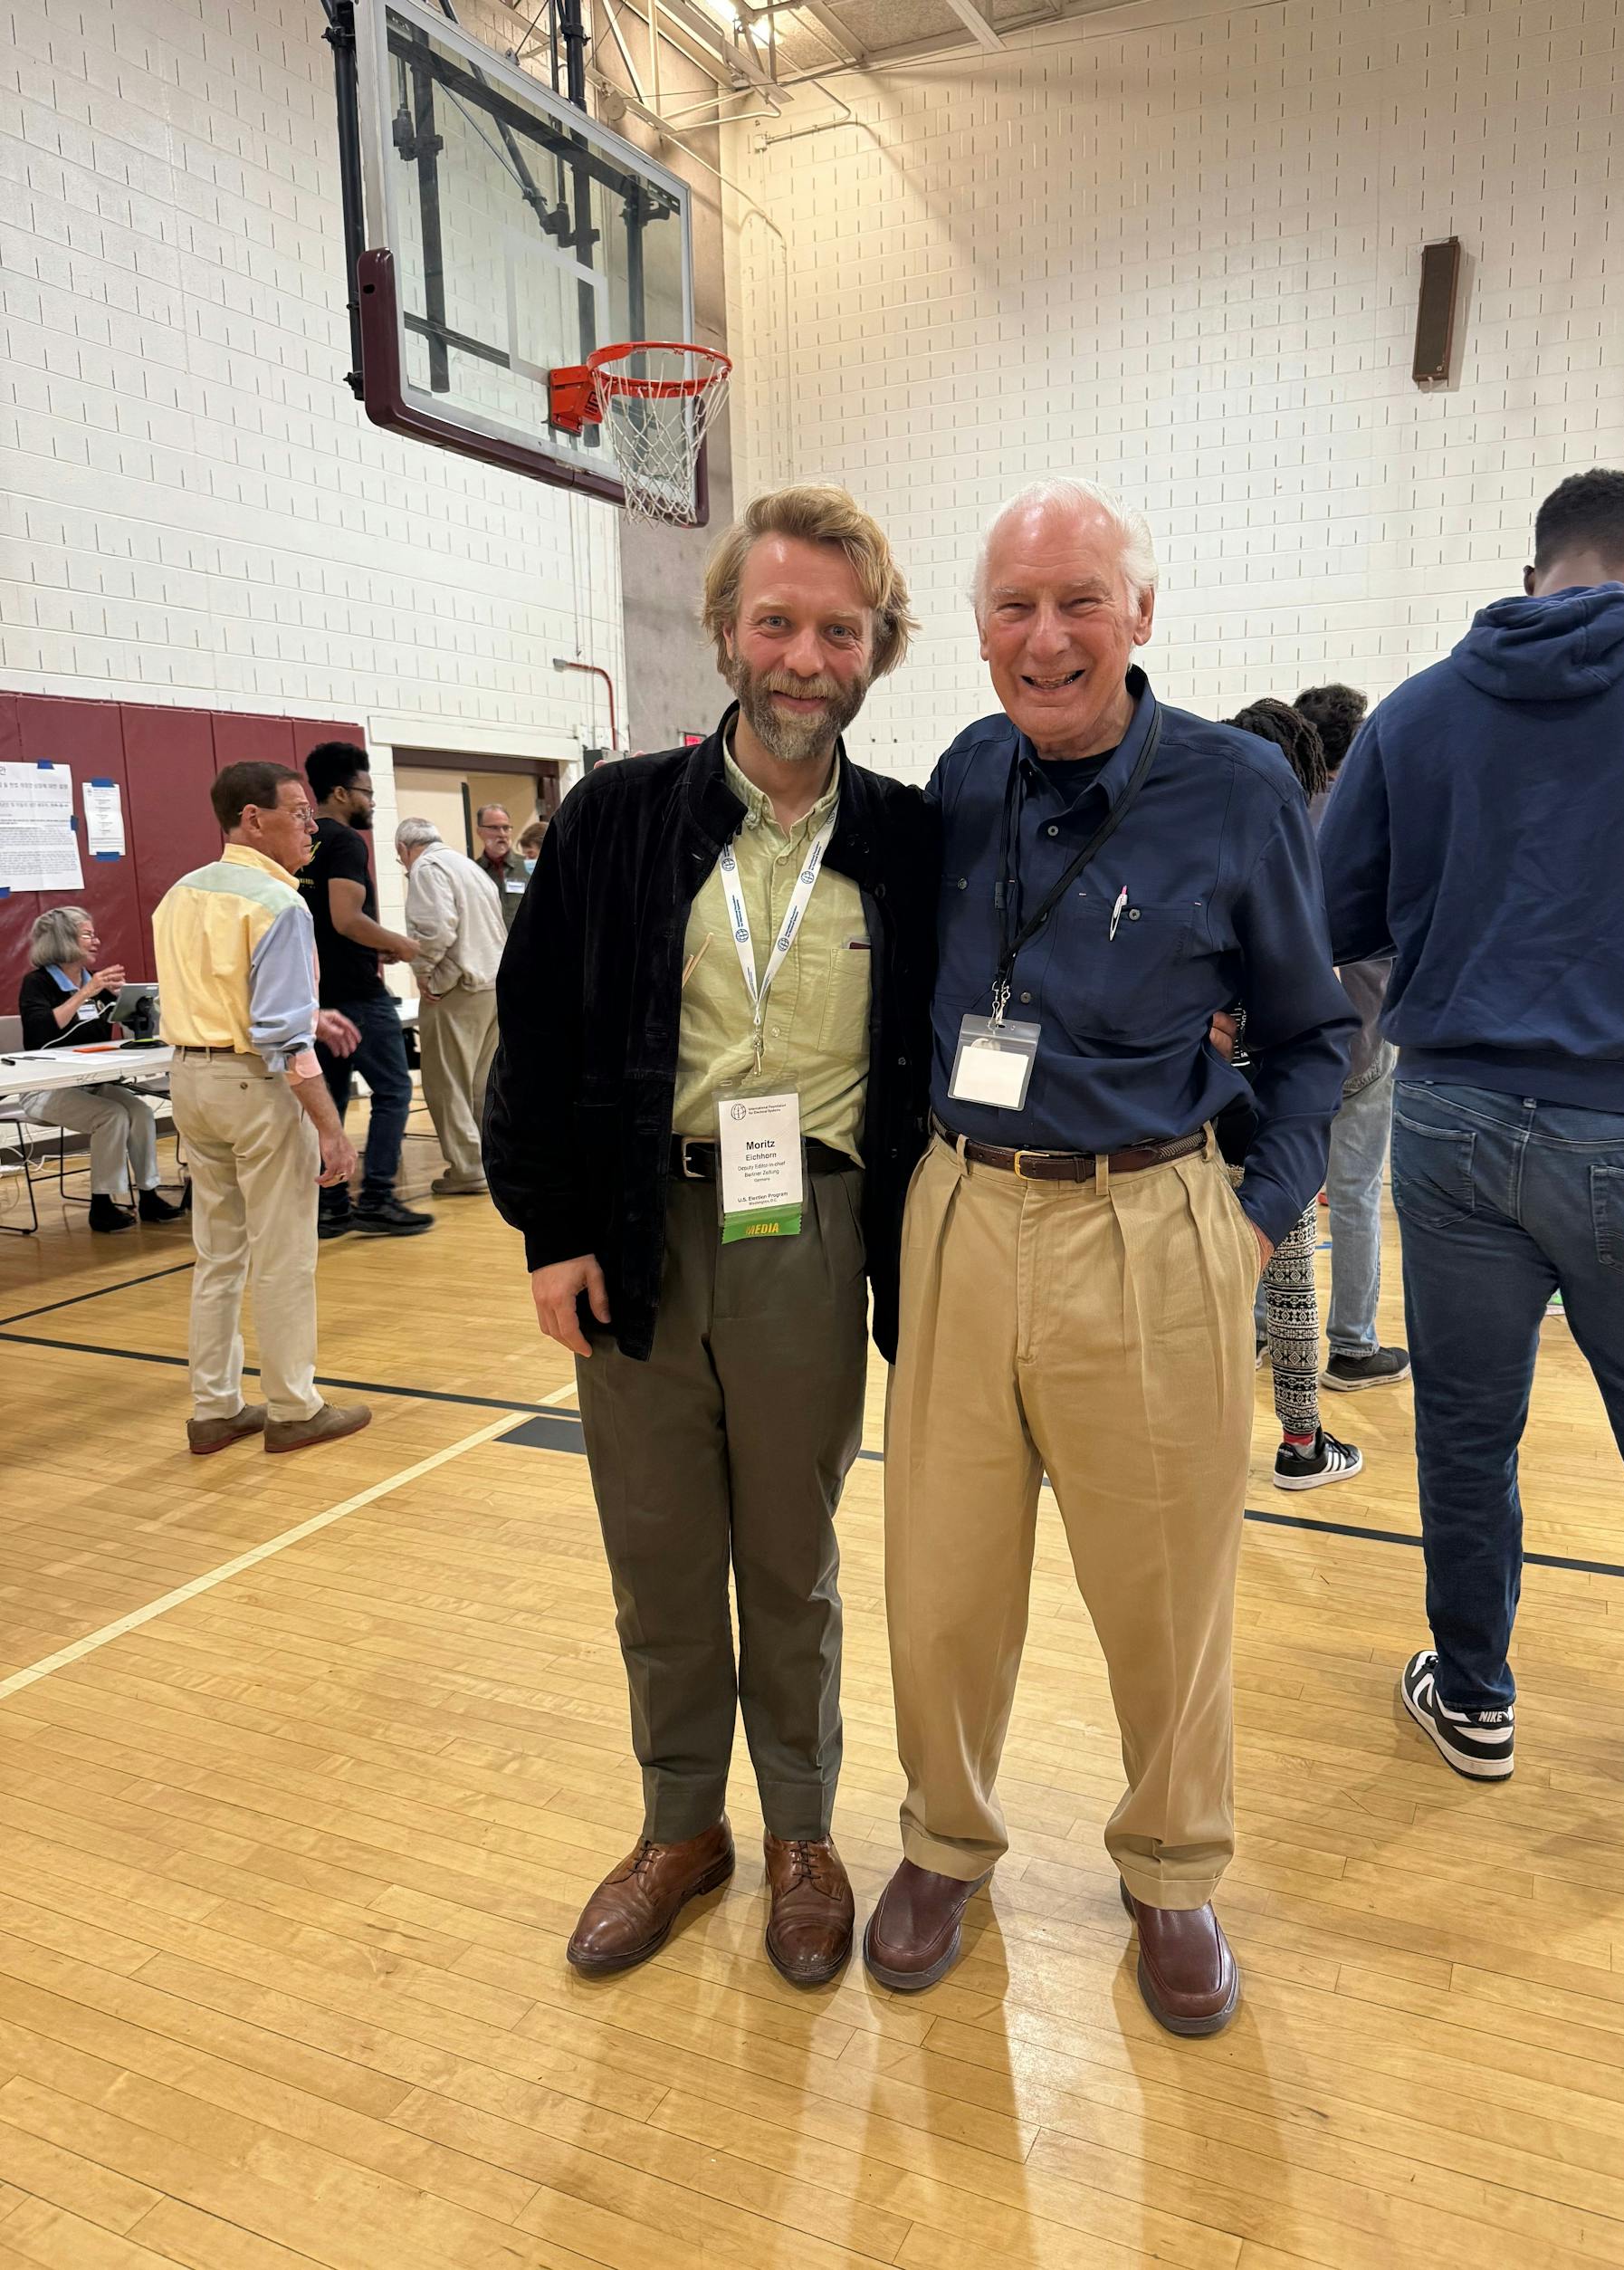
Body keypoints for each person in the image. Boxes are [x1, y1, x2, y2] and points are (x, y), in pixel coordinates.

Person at [864, 480, 1353, 2033]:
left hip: (1151, 1220)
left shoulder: (1237, 785)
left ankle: (1171, 1865)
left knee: (1164, 1593)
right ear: (981, 629)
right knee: (939, 1582)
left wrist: (1251, 1218)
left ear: (1140, 614)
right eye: (1015, 606)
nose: (1047, 635)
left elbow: (1312, 1032)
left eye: (1081, 600)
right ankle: (945, 1837)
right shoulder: (961, 771)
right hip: (962, 1205)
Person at [486, 484, 937, 1987]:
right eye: (777, 623)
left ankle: (803, 1826)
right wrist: (550, 1225)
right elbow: (534, 1034)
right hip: (633, 1228)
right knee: (659, 1553)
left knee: (792, 1557)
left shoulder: (910, 842)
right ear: (727, 632)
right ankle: (684, 1825)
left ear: (876, 647)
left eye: (837, 629)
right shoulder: (618, 818)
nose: (804, 657)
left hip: (809, 1232)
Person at [1319, 467, 1624, 1806]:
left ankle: (1475, 1695)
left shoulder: (1417, 712)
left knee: (1467, 1430)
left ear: (1532, 560)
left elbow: (1336, 912)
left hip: (1454, 1112)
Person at [153, 761, 369, 1456]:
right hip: (254, 1088)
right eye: (301, 814)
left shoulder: (179, 895)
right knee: (283, 1254)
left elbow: (233, 998)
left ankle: (215, 1408)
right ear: (253, 819)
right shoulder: (278, 904)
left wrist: (311, 1014)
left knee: (218, 1254)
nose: (312, 827)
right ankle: (293, 1406)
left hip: (189, 1079)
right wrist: (331, 1130)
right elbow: (278, 1038)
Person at [1223, 701, 1362, 1490]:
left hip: (1201, 1111)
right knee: (1290, 1274)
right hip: (1273, 1107)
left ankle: (1196, 1438)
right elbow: (1320, 1002)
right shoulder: (1299, 858)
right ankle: (1301, 1444)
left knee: (1201, 1279)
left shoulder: (1188, 842)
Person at [1294, 683, 1409, 1393]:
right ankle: (1350, 1345)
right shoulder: (1372, 810)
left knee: (1275, 1190)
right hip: (1364, 1033)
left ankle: (1260, 1326)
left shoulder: (1275, 810)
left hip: (1289, 1041)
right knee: (1359, 1194)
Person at [299, 743, 432, 1240]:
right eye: (367, 793)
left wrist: (372, 948)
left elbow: (318, 928)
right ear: (339, 791)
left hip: (316, 996)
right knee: (395, 1089)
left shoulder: (304, 842)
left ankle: (330, 1205)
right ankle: (377, 1196)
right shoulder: (347, 843)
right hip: (357, 996)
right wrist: (400, 944)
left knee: (330, 1098)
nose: (372, 802)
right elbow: (345, 919)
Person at [15, 907, 185, 1232]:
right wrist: (86, 993)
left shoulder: (94, 983)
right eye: (87, 935)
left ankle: (149, 1193)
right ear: (64, 940)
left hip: (88, 1081)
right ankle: (102, 1204)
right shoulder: (37, 983)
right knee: (112, 1116)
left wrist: (132, 1001)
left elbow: (135, 1029)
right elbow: (39, 1033)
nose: (97, 942)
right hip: (44, 1087)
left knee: (141, 1112)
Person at [395, 818, 505, 1197]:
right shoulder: (467, 866)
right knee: (483, 1086)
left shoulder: (426, 868)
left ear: (403, 850)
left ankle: (467, 1169)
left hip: (458, 988)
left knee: (447, 1084)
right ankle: (491, 1163)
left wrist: (424, 973)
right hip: (493, 984)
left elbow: (436, 930)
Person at [474, 804, 531, 930]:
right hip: (489, 946)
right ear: (480, 832)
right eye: (494, 828)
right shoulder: (472, 871)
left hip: (525, 945)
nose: (502, 834)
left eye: (506, 828)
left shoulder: (529, 867)